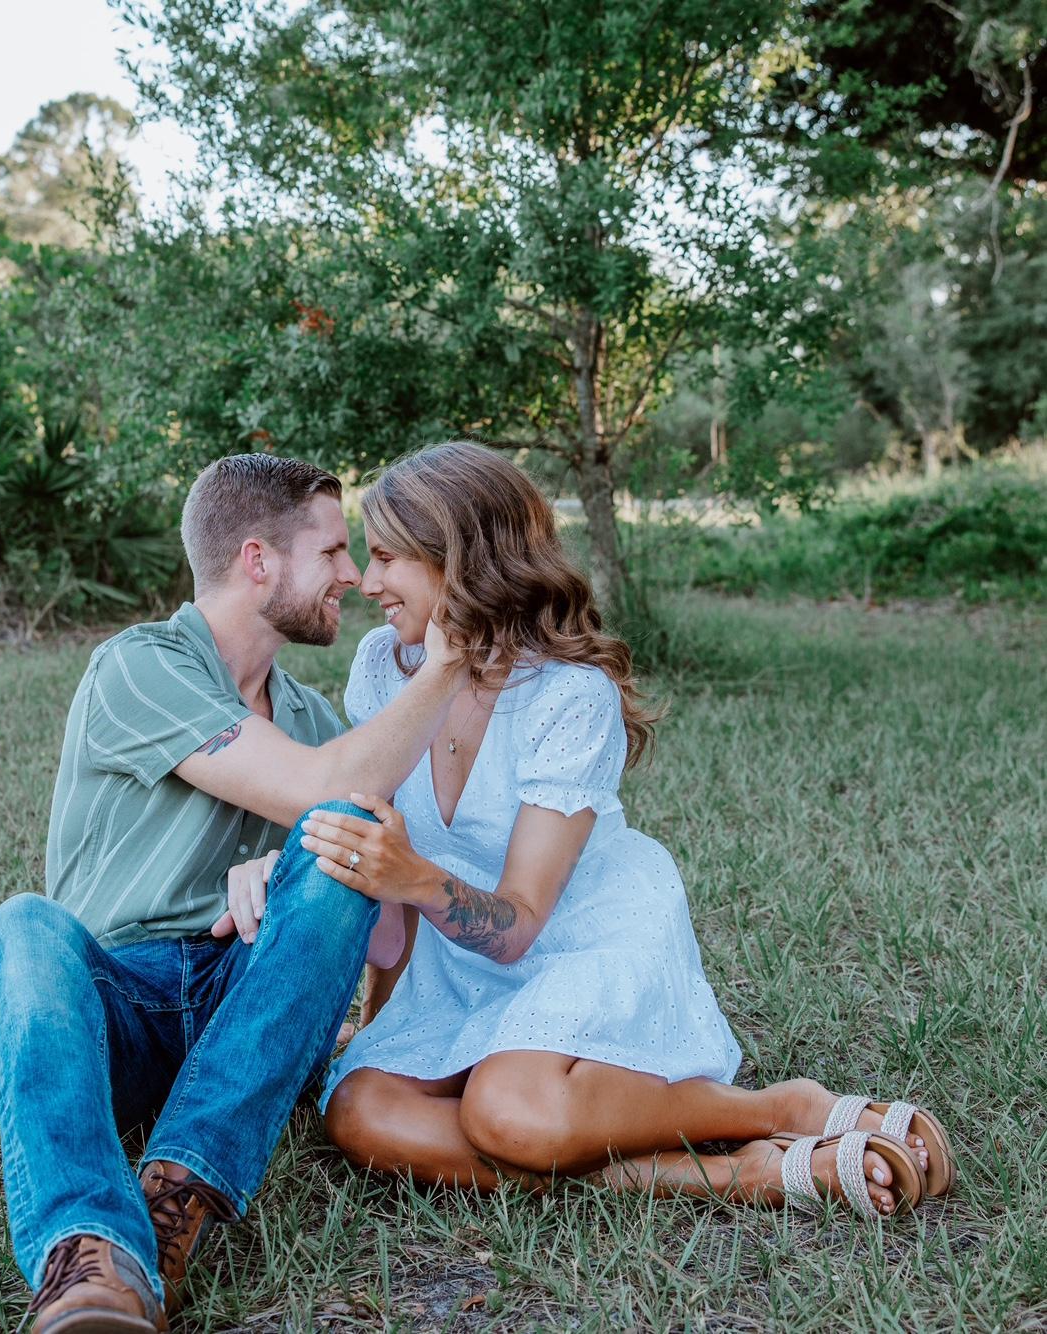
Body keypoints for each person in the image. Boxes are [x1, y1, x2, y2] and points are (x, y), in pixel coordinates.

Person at [299, 441, 954, 1220]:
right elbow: (392, 885)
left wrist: (408, 875)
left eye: (388, 559)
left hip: (574, 941)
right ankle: (738, 1175)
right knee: (362, 1113)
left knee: (507, 1115)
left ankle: (776, 1110)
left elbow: (515, 926)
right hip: (457, 965)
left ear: (459, 560)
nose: (367, 583)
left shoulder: (569, 696)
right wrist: (383, 1032)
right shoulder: (384, 665)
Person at [0, 454, 462, 1333]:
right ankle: (86, 1255)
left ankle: (174, 1201)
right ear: (257, 560)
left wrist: (291, 865)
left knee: (339, 842)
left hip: (249, 1012)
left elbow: (383, 918)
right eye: (334, 551)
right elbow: (315, 784)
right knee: (24, 924)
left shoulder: (317, 722)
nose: (354, 576)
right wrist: (447, 664)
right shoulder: (137, 668)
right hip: (117, 1010)